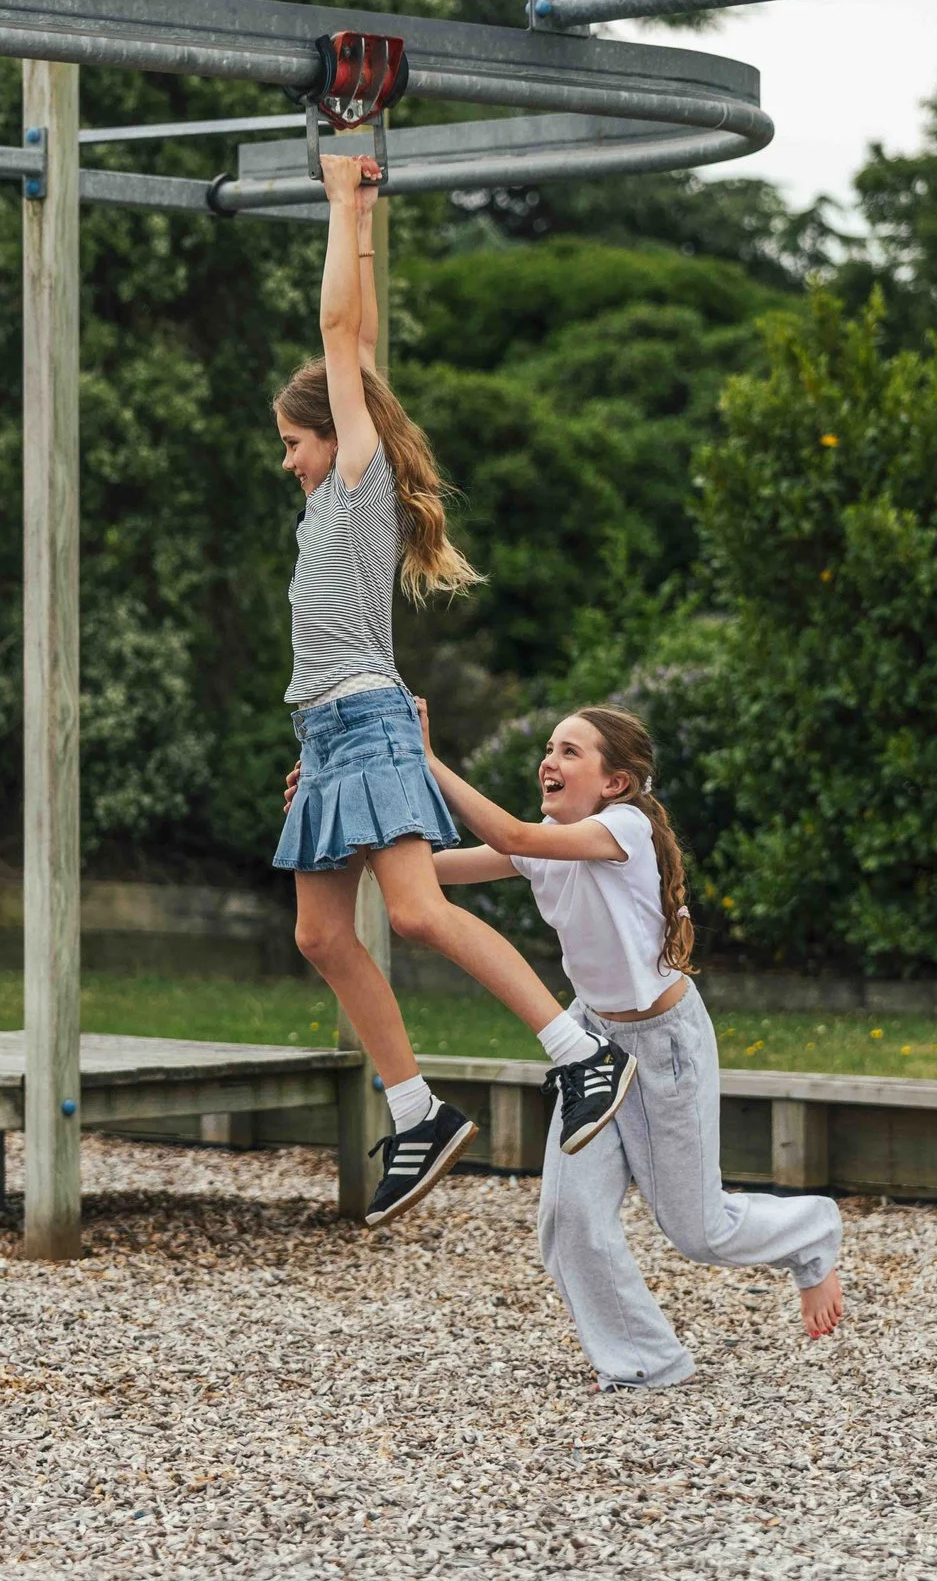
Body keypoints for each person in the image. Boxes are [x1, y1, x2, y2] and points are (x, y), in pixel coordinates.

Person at [272, 151, 638, 1230]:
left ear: (334, 437)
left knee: (418, 909)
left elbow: (347, 340)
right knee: (320, 936)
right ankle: (417, 1107)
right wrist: (371, 212)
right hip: (329, 733)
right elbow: (363, 349)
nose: (286, 459)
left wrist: (341, 204)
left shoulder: (356, 483)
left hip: (365, 714)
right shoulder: (326, 505)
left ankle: (578, 1052)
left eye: (293, 441)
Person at [421, 702, 847, 1388]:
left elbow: (506, 828)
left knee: (699, 1230)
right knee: (569, 1217)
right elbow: (430, 872)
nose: (548, 761)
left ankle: (811, 1236)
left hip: (662, 1046)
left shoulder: (621, 830)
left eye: (569, 751)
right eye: (549, 747)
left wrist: (428, 758)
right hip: (589, 1041)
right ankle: (649, 1364)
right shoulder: (539, 848)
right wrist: (345, 817)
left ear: (615, 782)